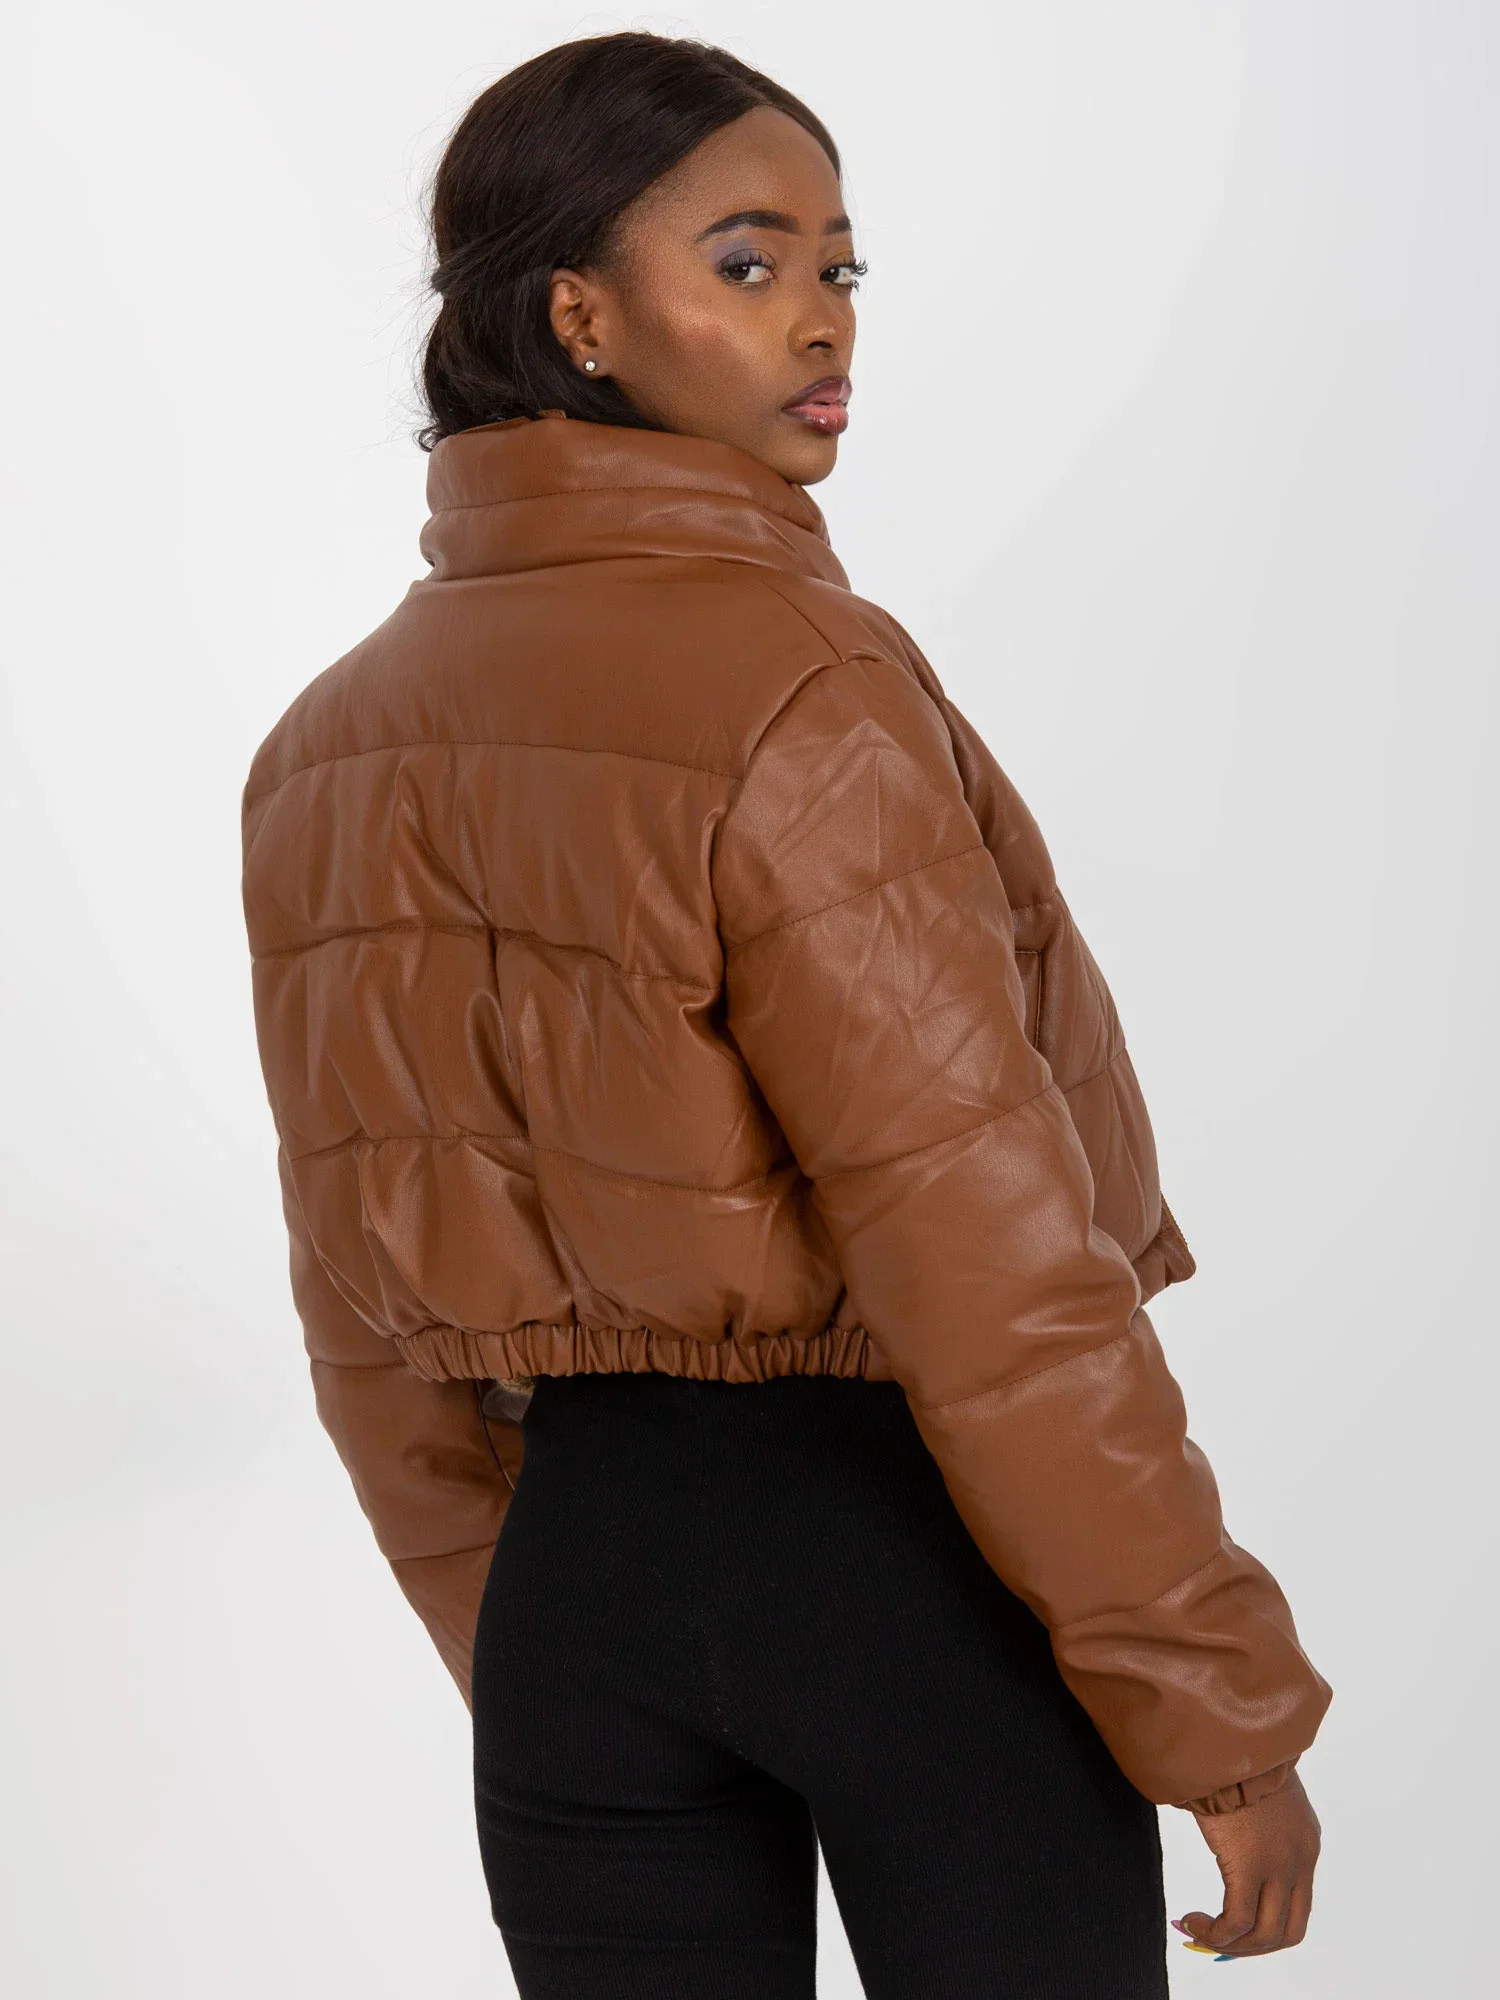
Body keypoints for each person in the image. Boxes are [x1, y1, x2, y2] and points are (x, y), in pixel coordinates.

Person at [240, 30, 1332, 1999]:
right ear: (576, 314)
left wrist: (524, 1638)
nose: (822, 319)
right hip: (893, 1570)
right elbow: (991, 1267)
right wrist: (1216, 1714)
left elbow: (357, 1302)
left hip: (576, 1601)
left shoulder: (326, 750)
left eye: (840, 267)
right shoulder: (803, 692)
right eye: (748, 264)